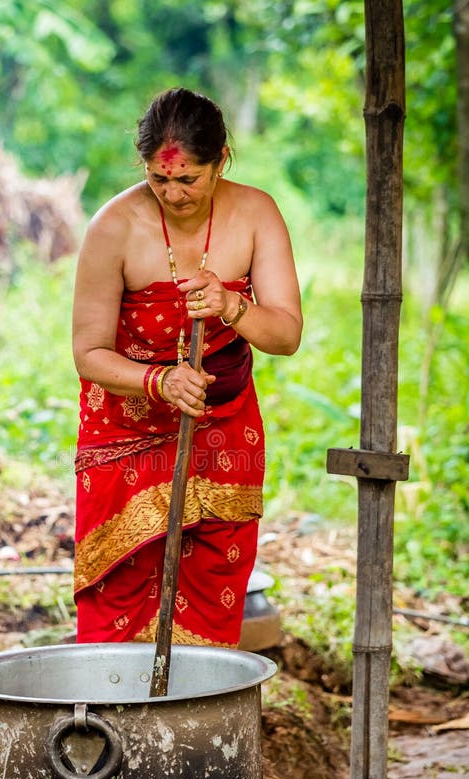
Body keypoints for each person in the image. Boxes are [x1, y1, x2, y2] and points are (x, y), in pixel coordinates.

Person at [72, 87, 302, 647]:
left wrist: (232, 306)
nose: (173, 194)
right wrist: (159, 380)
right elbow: (88, 351)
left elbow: (286, 334)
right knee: (120, 593)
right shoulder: (114, 227)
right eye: (159, 178)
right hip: (127, 431)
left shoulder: (255, 213)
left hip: (225, 426)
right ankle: (112, 722)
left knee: (212, 584)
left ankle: (193, 719)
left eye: (188, 178)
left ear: (221, 160)